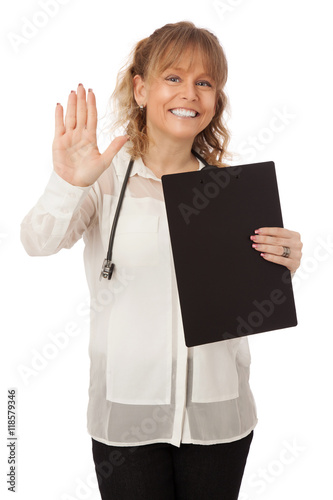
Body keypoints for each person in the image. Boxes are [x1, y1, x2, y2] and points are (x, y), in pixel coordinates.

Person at [20, 21, 302, 500]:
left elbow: (246, 297)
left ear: (215, 100)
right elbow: (37, 241)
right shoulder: (103, 179)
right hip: (126, 422)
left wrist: (282, 264)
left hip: (218, 421)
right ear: (141, 88)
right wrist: (68, 181)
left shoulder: (232, 193)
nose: (189, 93)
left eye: (204, 82)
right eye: (173, 77)